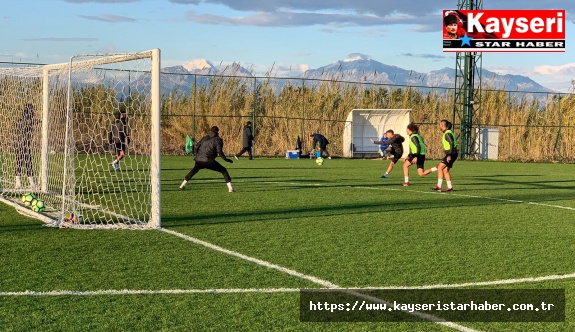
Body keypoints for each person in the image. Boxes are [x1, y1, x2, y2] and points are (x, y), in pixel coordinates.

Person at [179, 126, 235, 192]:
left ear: (210, 131)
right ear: (217, 132)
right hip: (208, 161)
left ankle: (182, 185)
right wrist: (225, 159)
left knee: (194, 171)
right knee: (223, 170)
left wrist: (197, 156)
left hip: (199, 160)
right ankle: (230, 188)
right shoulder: (218, 140)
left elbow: (196, 147)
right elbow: (219, 151)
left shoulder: (204, 138)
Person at [425, 120, 458, 192]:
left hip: (451, 153)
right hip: (453, 153)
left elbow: (451, 144)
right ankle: (450, 187)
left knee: (440, 167)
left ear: (443, 125)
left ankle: (439, 186)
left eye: (440, 125)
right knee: (445, 170)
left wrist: (449, 155)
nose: (439, 126)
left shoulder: (447, 134)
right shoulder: (448, 132)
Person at [15, 103, 40, 188]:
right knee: (21, 162)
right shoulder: (25, 120)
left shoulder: (22, 119)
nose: (33, 111)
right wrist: (41, 121)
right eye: (32, 110)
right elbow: (32, 122)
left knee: (27, 163)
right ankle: (19, 182)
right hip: (21, 144)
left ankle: (29, 183)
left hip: (24, 144)